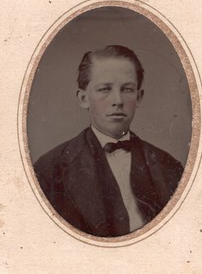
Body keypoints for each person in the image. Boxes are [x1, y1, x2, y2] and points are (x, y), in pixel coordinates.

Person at [34, 45, 183, 237]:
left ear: (138, 97)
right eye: (104, 89)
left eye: (127, 89)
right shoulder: (49, 169)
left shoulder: (169, 167)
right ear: (83, 98)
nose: (118, 100)